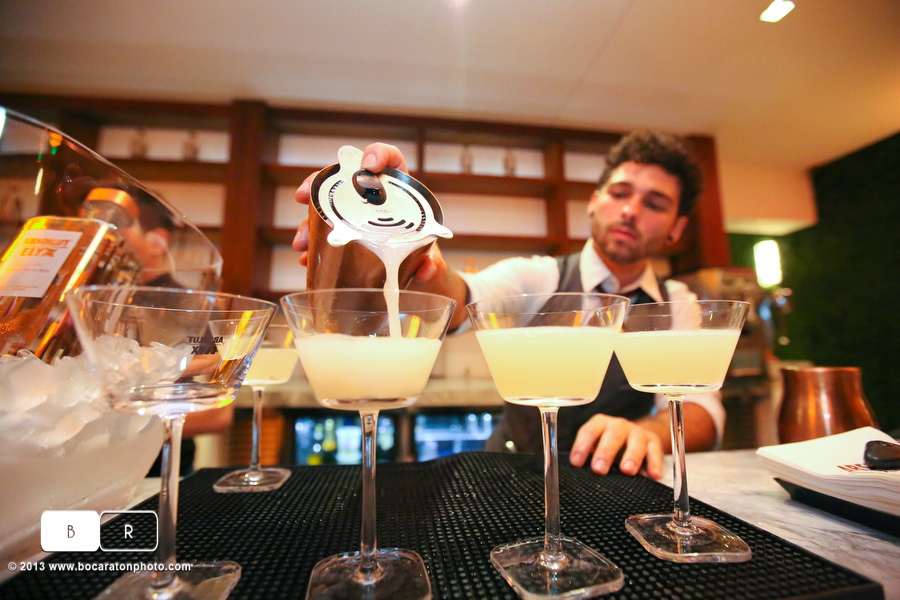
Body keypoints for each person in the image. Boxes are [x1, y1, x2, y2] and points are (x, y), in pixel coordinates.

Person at [291, 131, 722, 480]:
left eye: (654, 204)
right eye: (619, 193)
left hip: (616, 488)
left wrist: (649, 432)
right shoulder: (539, 277)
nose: (629, 211)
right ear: (594, 201)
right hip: (511, 480)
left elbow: (703, 411)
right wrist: (413, 246)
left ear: (676, 228)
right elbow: (460, 298)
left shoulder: (678, 304)